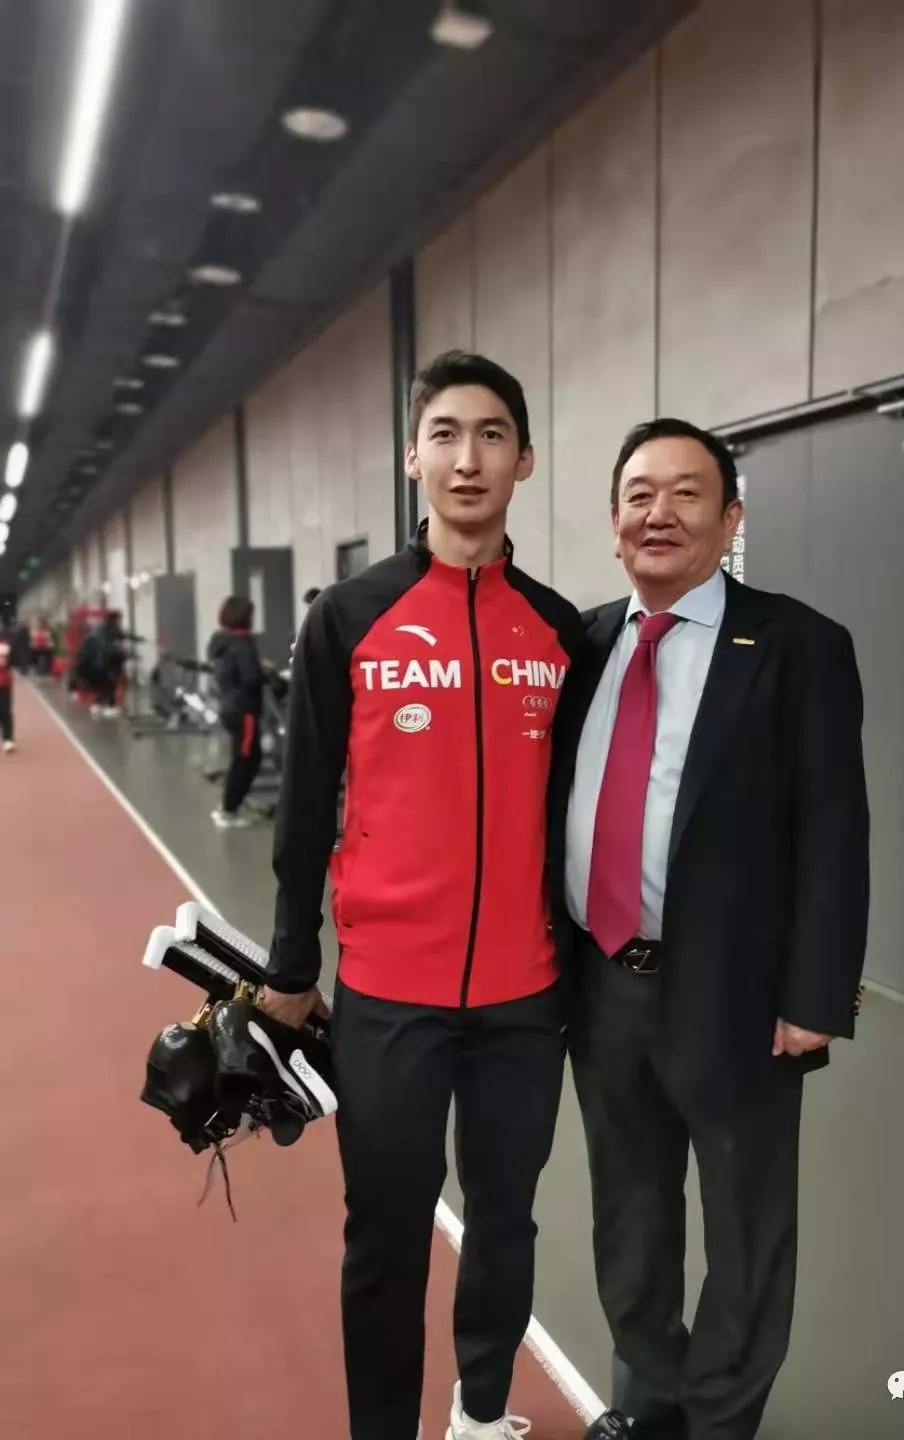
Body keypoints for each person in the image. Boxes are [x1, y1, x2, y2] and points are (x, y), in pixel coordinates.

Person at [260, 350, 583, 1440]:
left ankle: (482, 1411)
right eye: (445, 434)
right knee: (386, 1239)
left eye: (492, 435)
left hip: (524, 999)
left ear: (524, 459)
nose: (467, 458)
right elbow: (304, 803)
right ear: (413, 457)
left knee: (505, 1224)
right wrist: (290, 965)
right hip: (389, 995)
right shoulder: (348, 618)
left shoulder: (560, 631)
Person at [549, 418, 870, 1440]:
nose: (660, 513)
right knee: (629, 1216)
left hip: (737, 994)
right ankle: (648, 1403)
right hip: (603, 985)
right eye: (639, 494)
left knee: (744, 1228)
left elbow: (834, 832)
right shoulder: (580, 645)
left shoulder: (798, 646)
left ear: (730, 519)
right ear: (612, 521)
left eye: (687, 493)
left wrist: (815, 998)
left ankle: (722, 1419)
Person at [207, 596, 265, 829]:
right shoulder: (243, 643)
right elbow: (251, 678)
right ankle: (228, 810)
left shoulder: (223, 641)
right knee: (245, 759)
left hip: (230, 706)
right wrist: (264, 672)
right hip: (244, 710)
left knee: (249, 757)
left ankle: (233, 805)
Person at [0, 619, 16, 752]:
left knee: (5, 711)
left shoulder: (5, 643)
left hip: (4, 682)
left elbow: (7, 661)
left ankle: (8, 739)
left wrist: (7, 659)